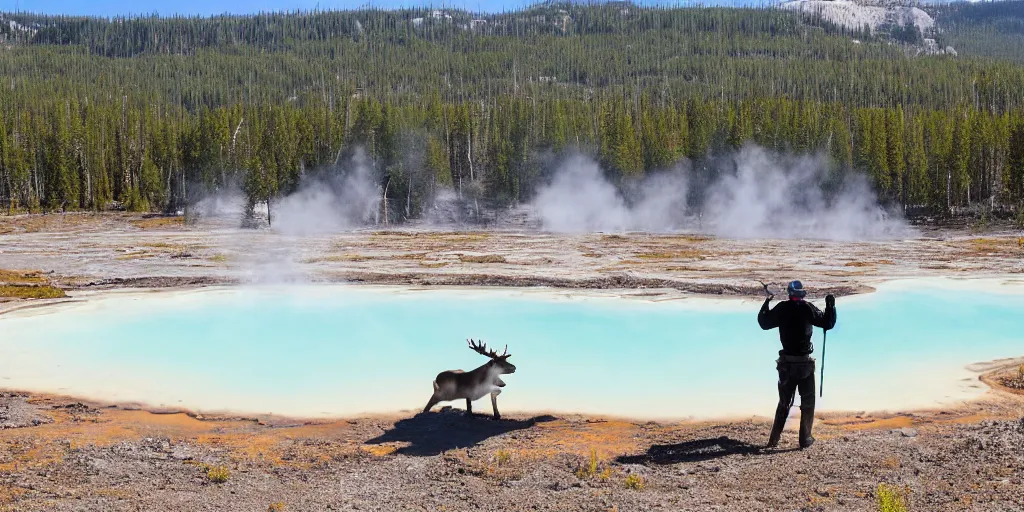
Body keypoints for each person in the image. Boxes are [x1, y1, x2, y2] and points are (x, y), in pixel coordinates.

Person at [758, 280, 836, 449]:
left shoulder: (782, 308)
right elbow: (827, 323)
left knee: (784, 402)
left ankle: (773, 440)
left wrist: (767, 302)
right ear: (802, 294)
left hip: (786, 365)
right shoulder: (807, 308)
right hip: (804, 364)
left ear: (789, 293)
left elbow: (764, 323)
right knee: (808, 402)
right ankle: (805, 438)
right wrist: (831, 306)